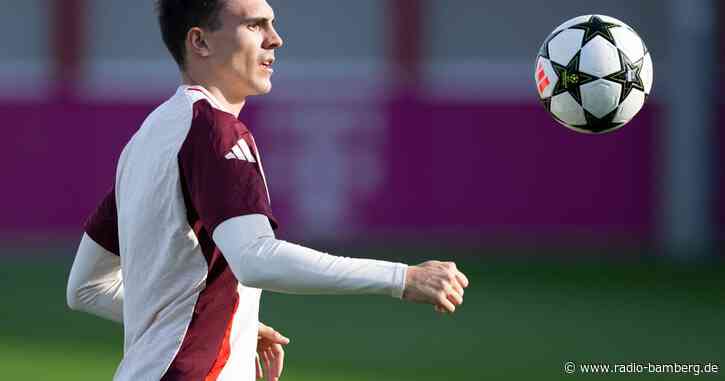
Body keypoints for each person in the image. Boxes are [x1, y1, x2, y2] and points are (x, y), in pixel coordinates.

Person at [66, 1, 469, 380]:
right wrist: (402, 277)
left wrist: (233, 317)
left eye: (271, 24)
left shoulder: (147, 139)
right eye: (254, 24)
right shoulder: (215, 131)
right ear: (200, 41)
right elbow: (257, 258)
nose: (275, 39)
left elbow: (86, 288)